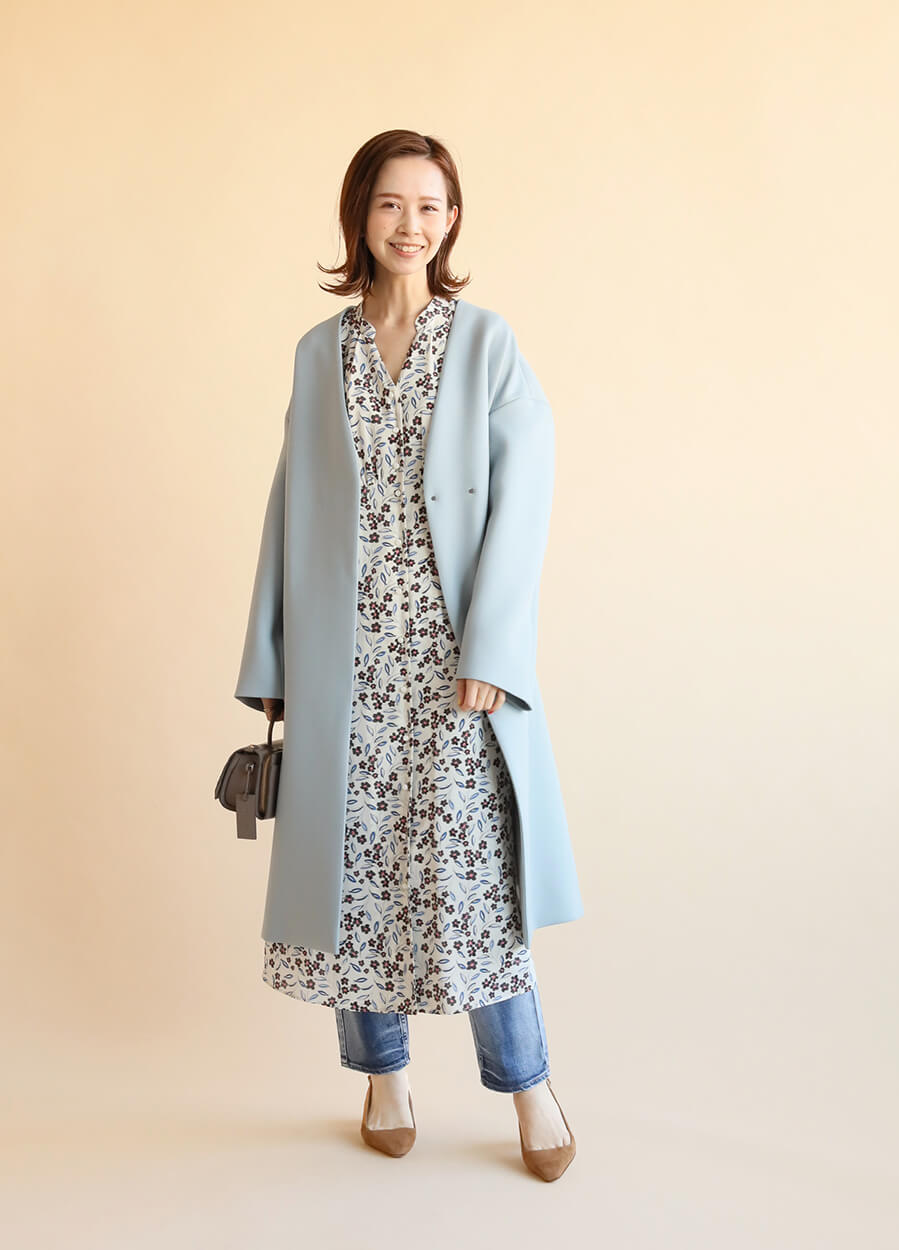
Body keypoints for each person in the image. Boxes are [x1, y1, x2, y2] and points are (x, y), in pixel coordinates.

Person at [234, 130, 581, 1181]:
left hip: (453, 670)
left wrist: (493, 649)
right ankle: (382, 1075)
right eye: (391, 204)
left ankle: (529, 1086)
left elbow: (524, 502)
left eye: (430, 206)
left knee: (472, 886)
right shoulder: (318, 351)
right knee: (354, 880)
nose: (410, 225)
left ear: (452, 220)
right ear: (361, 215)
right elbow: (288, 507)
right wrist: (274, 664)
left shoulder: (486, 344)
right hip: (344, 667)